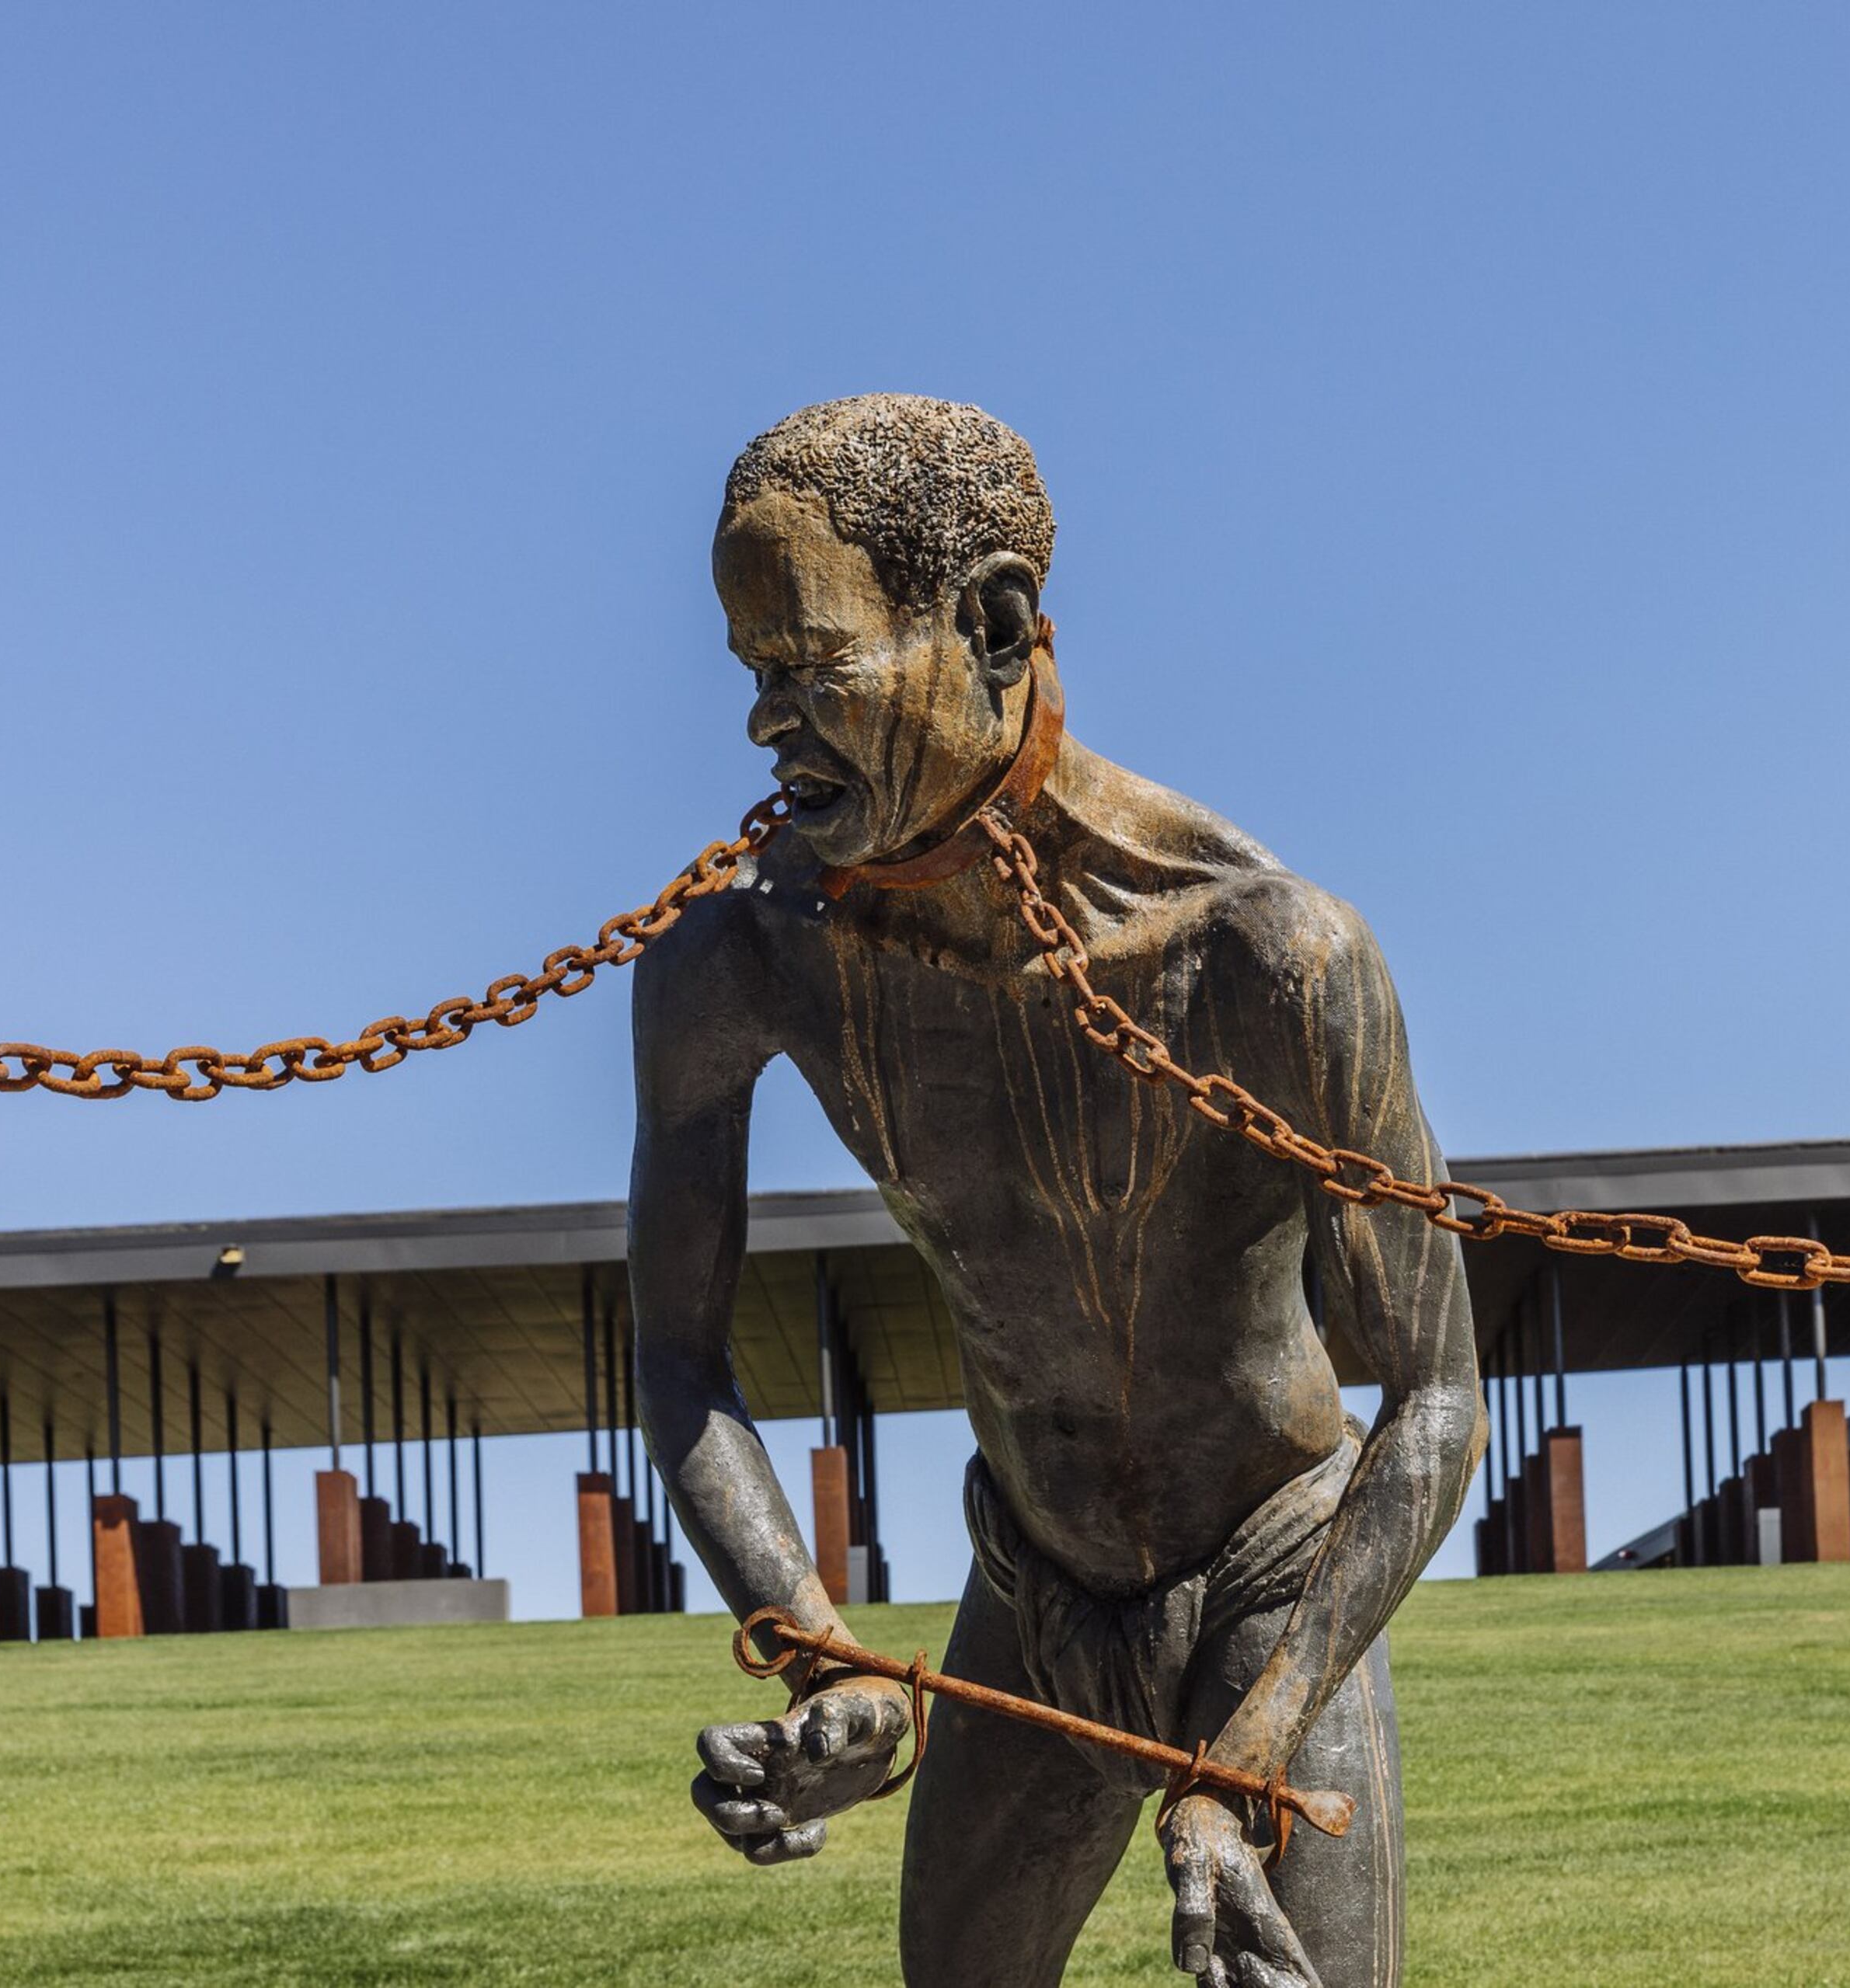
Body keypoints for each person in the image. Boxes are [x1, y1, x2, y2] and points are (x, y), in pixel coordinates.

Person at [632, 395, 1482, 1988]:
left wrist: (1255, 1746)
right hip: (1032, 1582)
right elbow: (678, 1358)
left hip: (1270, 1574)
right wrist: (823, 1653)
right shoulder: (744, 964)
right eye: (751, 672)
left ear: (997, 620)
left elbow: (1434, 1392)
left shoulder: (1269, 957)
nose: (764, 725)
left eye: (812, 665)